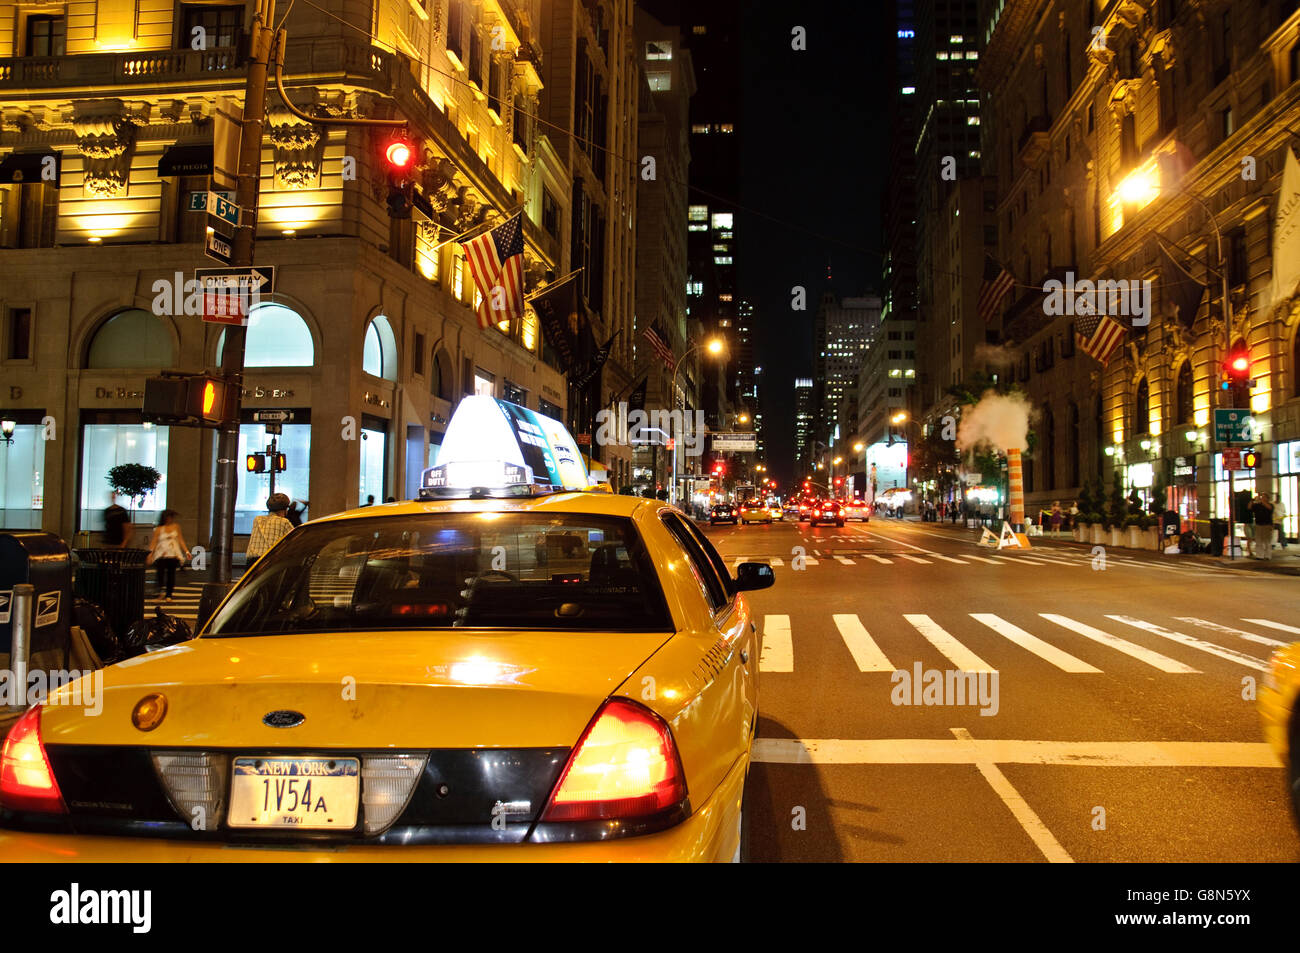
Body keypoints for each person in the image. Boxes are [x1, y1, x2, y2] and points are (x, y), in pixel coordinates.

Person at [146, 510, 189, 602]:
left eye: (171, 517)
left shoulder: (176, 527)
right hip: (161, 554)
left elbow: (180, 539)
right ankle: (161, 592)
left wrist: (186, 551)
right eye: (168, 517)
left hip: (173, 554)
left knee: (171, 574)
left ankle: (169, 594)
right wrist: (150, 553)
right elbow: (154, 541)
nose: (170, 519)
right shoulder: (159, 529)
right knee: (160, 574)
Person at [247, 493, 295, 563]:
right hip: (269, 561)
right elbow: (294, 538)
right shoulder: (284, 522)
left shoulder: (257, 520)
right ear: (284, 510)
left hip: (252, 562)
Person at [1250, 492, 1275, 561]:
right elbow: (1249, 507)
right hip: (1258, 524)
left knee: (1267, 541)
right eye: (1262, 497)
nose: (1262, 498)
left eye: (1264, 497)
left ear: (1267, 498)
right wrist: (1253, 500)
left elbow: (1269, 508)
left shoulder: (1271, 505)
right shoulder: (1257, 505)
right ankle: (1259, 555)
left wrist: (1262, 501)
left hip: (1267, 525)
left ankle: (1268, 555)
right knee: (1258, 541)